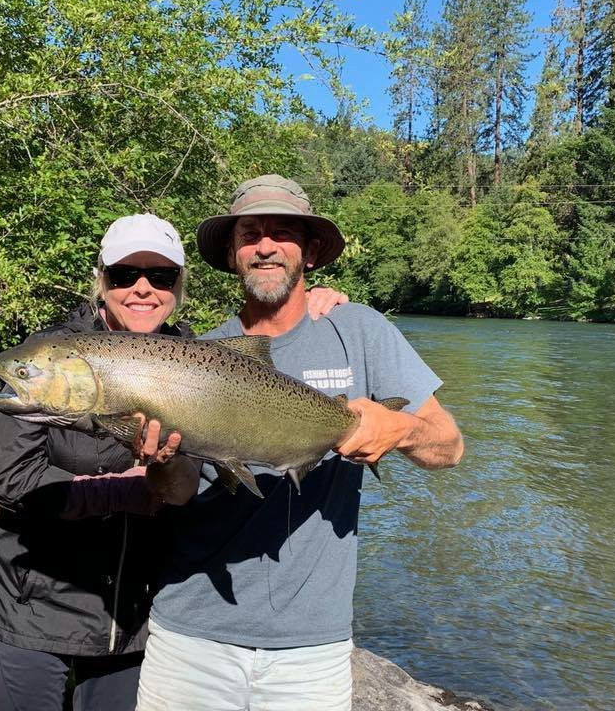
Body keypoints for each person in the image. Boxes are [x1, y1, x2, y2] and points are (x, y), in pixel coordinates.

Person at [0, 212, 347, 711]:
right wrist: (136, 489)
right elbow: (13, 481)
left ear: (179, 287)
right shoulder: (51, 354)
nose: (143, 289)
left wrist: (318, 303)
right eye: (126, 275)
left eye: (162, 276)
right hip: (35, 607)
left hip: (135, 620)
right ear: (102, 280)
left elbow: (182, 491)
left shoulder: (197, 357)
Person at [135, 175, 465, 711]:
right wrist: (158, 461)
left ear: (309, 252)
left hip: (311, 652)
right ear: (232, 251)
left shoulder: (358, 331)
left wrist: (399, 429)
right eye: (250, 234)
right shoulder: (193, 358)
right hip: (189, 636)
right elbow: (177, 496)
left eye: (281, 232)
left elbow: (448, 447)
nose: (265, 246)